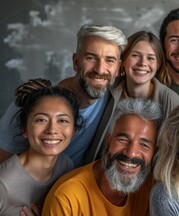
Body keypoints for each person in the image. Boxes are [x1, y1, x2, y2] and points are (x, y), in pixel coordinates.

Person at [0, 24, 127, 167]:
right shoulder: (31, 102)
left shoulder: (115, 99)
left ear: (118, 68)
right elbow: (3, 164)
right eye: (91, 58)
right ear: (75, 62)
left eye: (109, 60)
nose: (100, 69)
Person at [38, 98, 162, 216]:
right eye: (123, 140)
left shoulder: (149, 189)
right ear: (108, 141)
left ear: (154, 152)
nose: (131, 152)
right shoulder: (67, 197)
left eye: (144, 145)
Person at [0, 79, 82, 216]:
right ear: (24, 129)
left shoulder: (66, 167)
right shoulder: (3, 185)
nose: (52, 130)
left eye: (62, 120)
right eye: (41, 120)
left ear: (73, 131)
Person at [117, 31, 179, 117]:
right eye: (135, 55)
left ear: (157, 65)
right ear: (123, 60)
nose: (142, 63)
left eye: (150, 58)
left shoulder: (171, 101)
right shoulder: (108, 93)